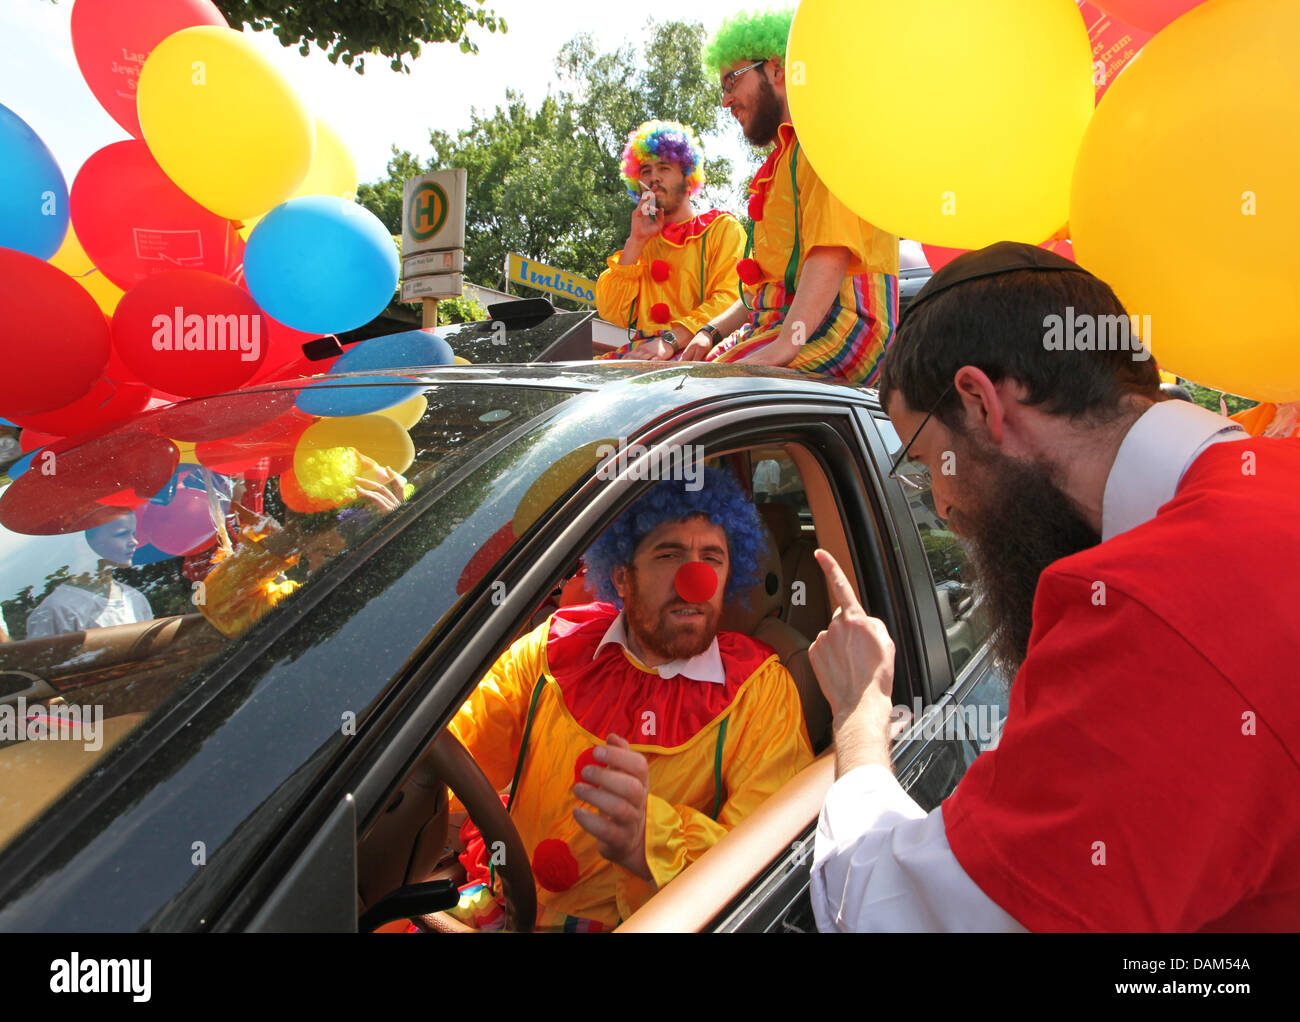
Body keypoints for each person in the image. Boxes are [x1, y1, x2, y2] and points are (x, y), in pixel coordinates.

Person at [807, 241, 1300, 932]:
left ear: (980, 403)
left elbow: (910, 916)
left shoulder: (1153, 610)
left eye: (924, 459)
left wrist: (859, 719)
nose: (941, 505)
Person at [446, 469, 813, 930]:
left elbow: (765, 864)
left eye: (712, 558)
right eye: (669, 554)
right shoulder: (555, 647)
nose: (695, 580)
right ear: (622, 575)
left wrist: (649, 839)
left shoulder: (759, 690)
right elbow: (452, 753)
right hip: (506, 903)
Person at [685, 8, 899, 384]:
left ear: (777, 69)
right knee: (673, 379)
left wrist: (787, 343)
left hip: (836, 326)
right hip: (784, 325)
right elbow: (766, 287)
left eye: (731, 82)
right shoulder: (786, 156)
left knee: (695, 391)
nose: (725, 101)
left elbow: (830, 254)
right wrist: (710, 332)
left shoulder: (824, 138)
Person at [595, 120, 745, 361]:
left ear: (688, 177)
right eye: (646, 171)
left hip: (702, 349)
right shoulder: (643, 243)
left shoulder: (721, 229)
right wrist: (635, 241)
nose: (654, 178)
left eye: (664, 168)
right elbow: (611, 311)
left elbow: (731, 299)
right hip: (645, 353)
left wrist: (672, 340)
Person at [26, 512, 153, 638]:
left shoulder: (135, 598)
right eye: (121, 535)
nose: (134, 542)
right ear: (83, 546)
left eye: (133, 534)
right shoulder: (57, 609)